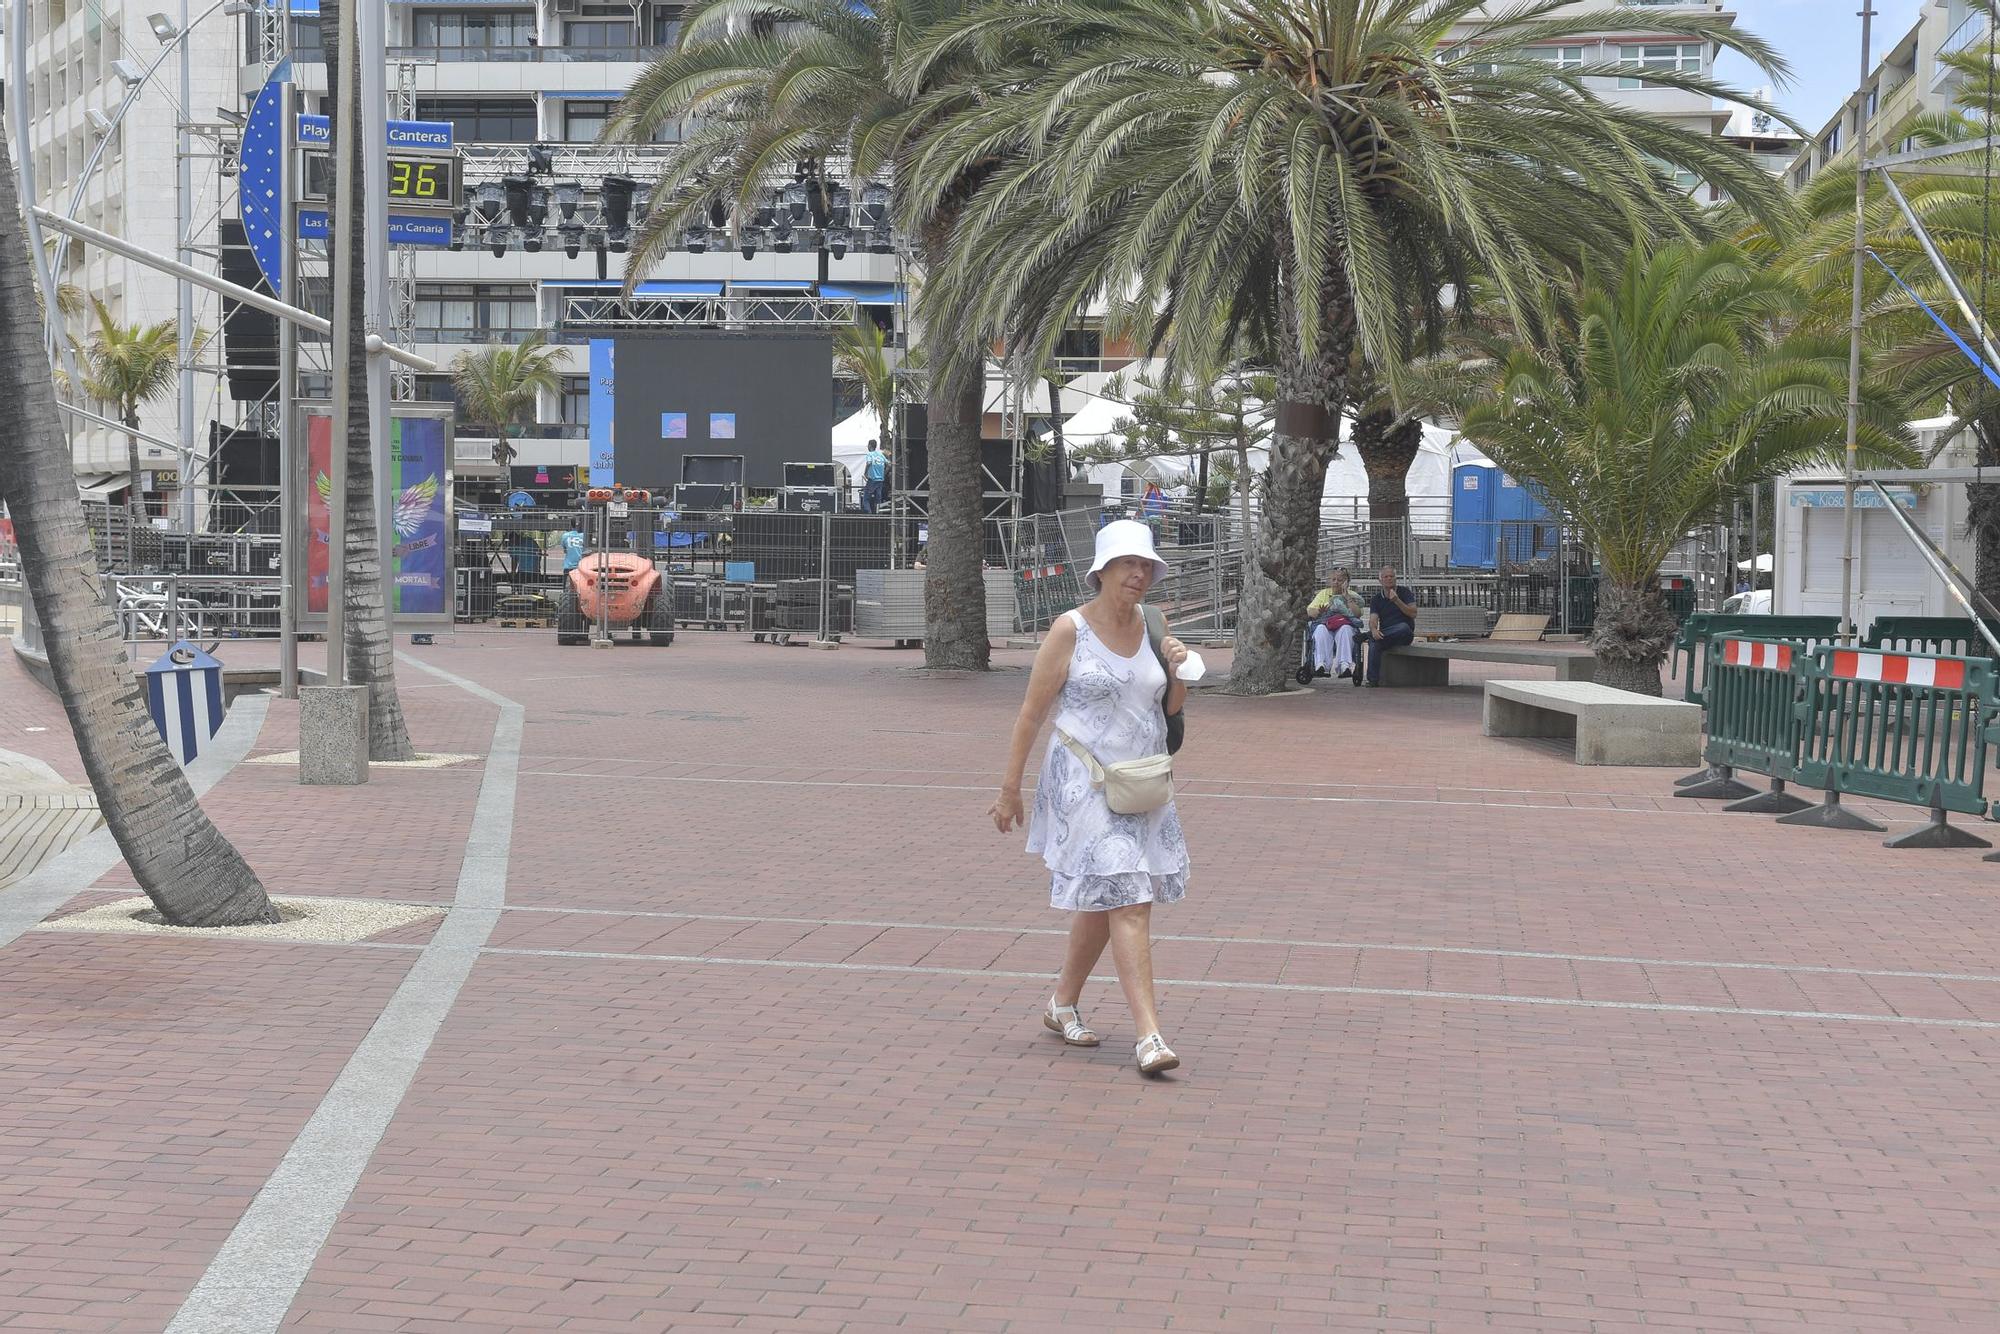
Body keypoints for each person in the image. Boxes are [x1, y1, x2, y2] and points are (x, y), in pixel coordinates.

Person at [992, 519, 1191, 1076]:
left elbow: (1169, 711)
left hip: (1141, 777)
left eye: (1145, 564)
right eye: (1127, 563)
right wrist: (1009, 790)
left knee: (1107, 899)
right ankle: (1150, 1036)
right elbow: (1032, 713)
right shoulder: (1069, 629)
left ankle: (1061, 1003)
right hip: (1084, 779)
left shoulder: (1154, 622)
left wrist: (1178, 671)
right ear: (1101, 570)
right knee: (1127, 896)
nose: (1138, 573)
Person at [1362, 565, 1418, 687]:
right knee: (1374, 642)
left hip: (1404, 635)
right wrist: (1373, 629)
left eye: (1391, 576)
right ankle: (1372, 680)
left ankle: (1367, 635)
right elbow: (1373, 619)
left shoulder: (1404, 592)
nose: (1389, 579)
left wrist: (1397, 601)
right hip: (1386, 636)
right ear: (1380, 580)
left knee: (1402, 626)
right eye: (1386, 577)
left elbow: (1413, 613)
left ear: (1395, 578)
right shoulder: (1376, 599)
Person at [1305, 567, 1366, 679]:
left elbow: (1357, 614)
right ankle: (1321, 665)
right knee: (1320, 630)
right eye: (1333, 579)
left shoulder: (1353, 595)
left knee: (1346, 629)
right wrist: (1319, 611)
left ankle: (1344, 666)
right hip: (1326, 625)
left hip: (1343, 625)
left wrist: (1347, 597)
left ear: (1346, 582)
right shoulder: (1323, 594)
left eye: (1340, 580)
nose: (1336, 583)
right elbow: (1310, 611)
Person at [861, 440, 890, 513]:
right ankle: (878, 514)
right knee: (878, 499)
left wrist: (865, 473)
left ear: (870, 445)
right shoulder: (880, 455)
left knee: (866, 499)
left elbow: (869, 462)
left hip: (872, 479)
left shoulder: (870, 454)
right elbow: (889, 465)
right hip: (880, 480)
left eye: (868, 445)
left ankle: (869, 514)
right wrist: (883, 473)